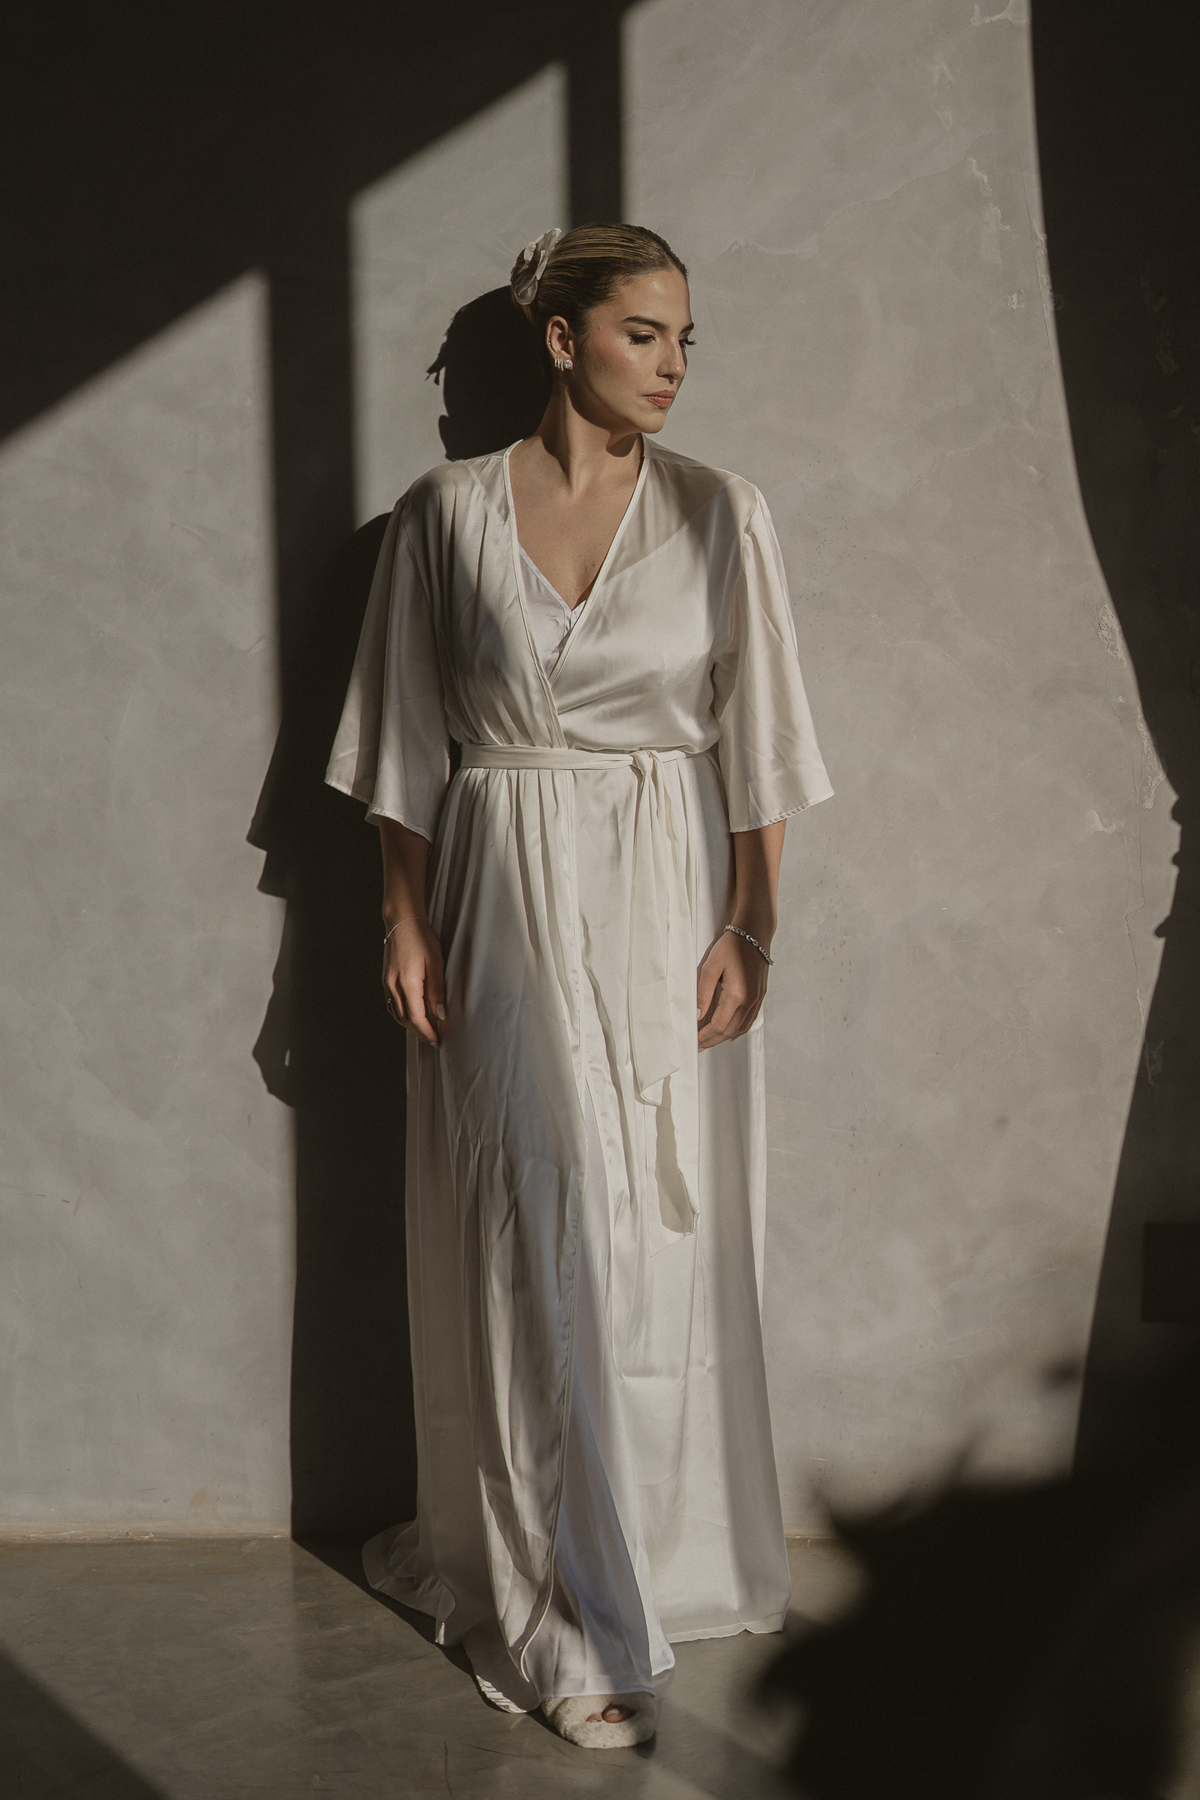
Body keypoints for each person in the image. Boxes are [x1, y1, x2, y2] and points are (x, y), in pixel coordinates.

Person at [325, 223, 832, 1750]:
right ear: (562, 339)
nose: (673, 366)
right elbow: (406, 736)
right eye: (642, 334)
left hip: (662, 890)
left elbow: (762, 741)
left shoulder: (720, 512)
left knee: (639, 1242)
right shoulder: (443, 516)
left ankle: (631, 1560)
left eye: (686, 341)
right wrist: (404, 921)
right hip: (496, 888)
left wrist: (752, 927)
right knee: (529, 1230)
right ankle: (569, 1628)